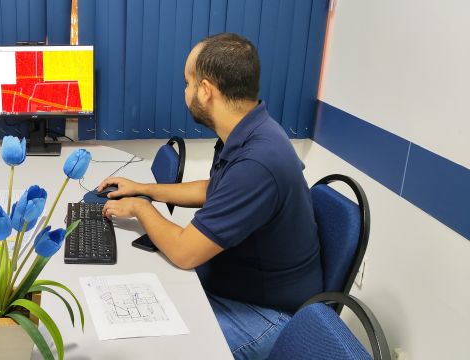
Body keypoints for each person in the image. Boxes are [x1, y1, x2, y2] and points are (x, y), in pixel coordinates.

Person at [97, 33, 322, 360]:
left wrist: (142, 208)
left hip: (268, 315)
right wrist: (145, 189)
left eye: (187, 84)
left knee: (144, 346)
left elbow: (185, 252)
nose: (185, 92)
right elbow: (214, 188)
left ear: (206, 90)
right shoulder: (250, 131)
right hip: (235, 285)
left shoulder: (257, 162)